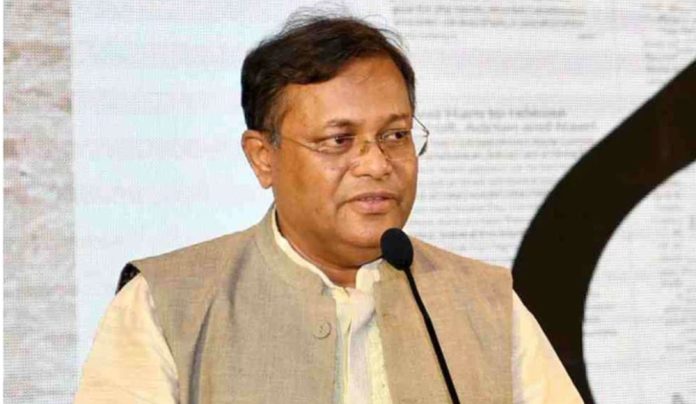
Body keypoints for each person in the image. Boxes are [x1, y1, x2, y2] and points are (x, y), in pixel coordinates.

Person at [75, 12, 583, 404]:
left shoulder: (485, 302)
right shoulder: (166, 304)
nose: (376, 164)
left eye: (395, 135)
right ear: (263, 157)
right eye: (339, 140)